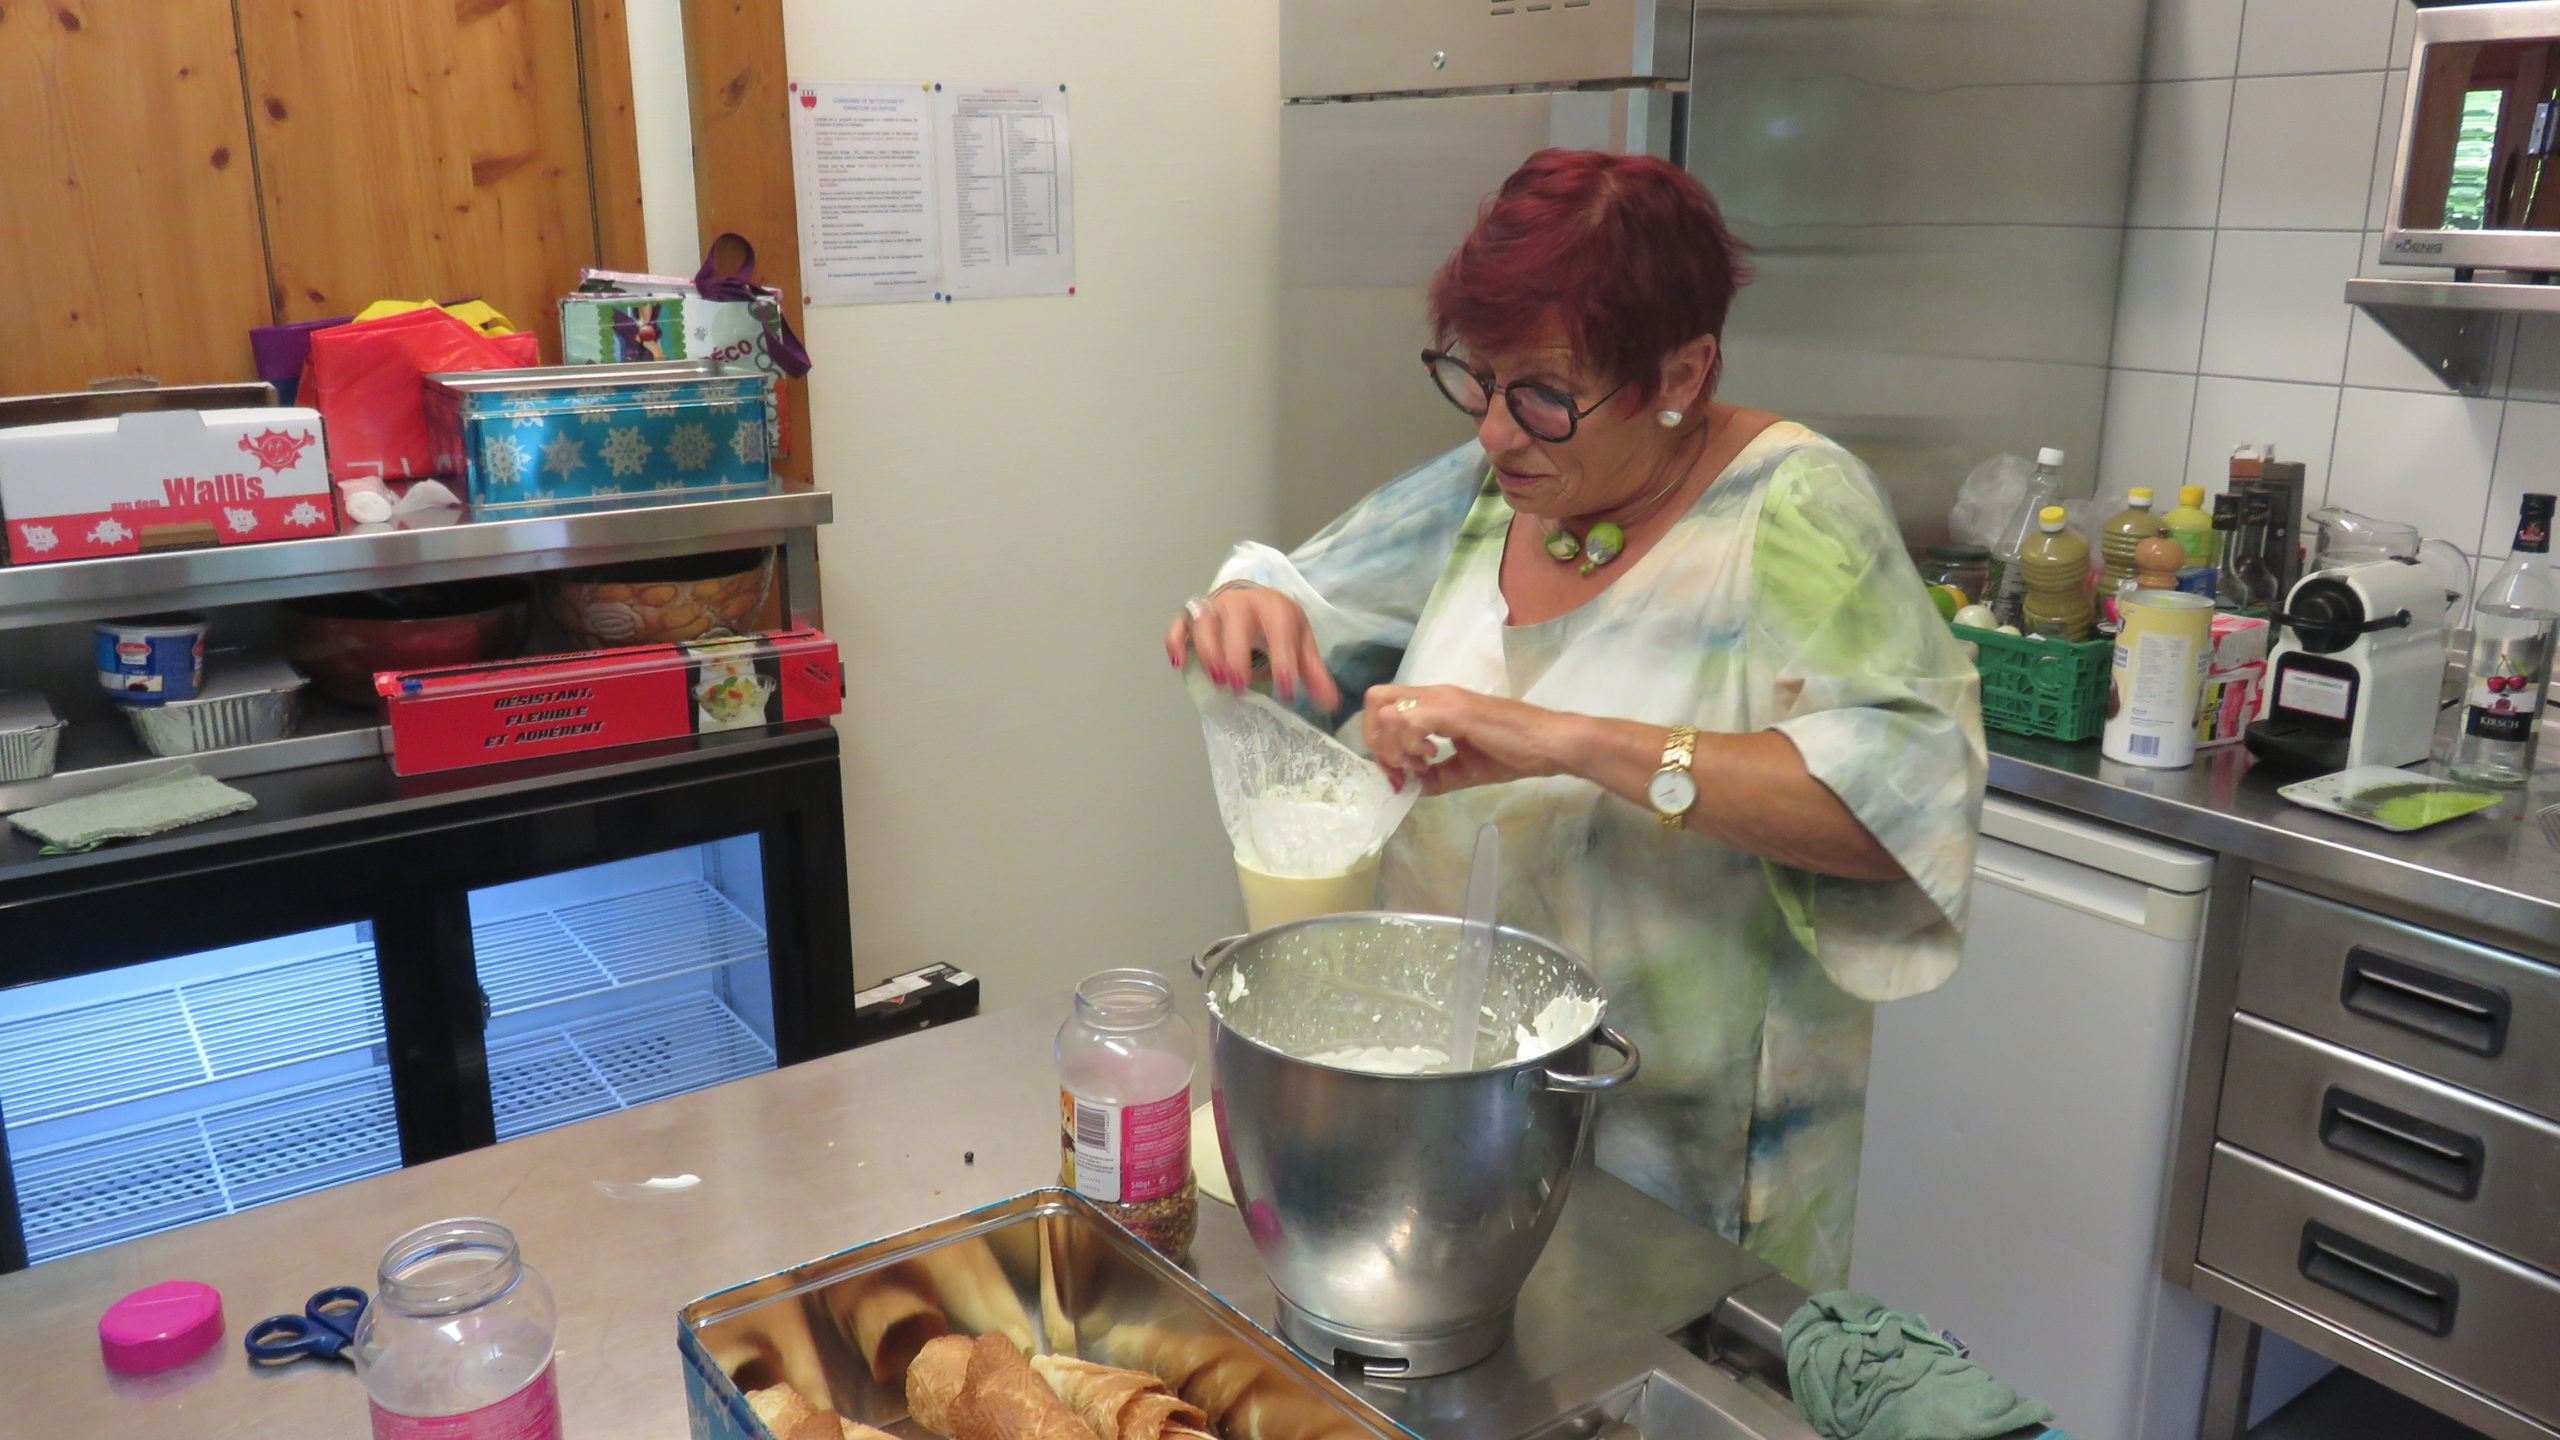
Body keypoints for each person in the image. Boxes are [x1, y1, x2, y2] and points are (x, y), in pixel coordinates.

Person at [1165, 149, 1984, 1288]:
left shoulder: (1793, 509)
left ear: (1682, 371)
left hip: (1684, 1172)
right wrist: (1250, 604)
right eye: (1479, 378)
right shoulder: (1504, 483)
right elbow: (1302, 593)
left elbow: (1895, 815)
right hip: (1452, 1134)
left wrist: (1561, 739)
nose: (1498, 431)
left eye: (1544, 394)